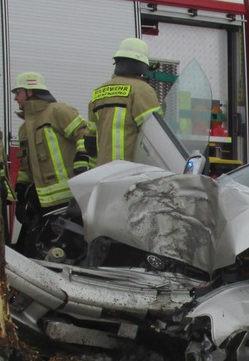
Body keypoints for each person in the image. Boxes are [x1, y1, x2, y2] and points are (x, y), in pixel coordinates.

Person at [12, 71, 92, 256]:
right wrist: (22, 191)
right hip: (43, 204)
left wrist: (82, 158)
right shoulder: (25, 128)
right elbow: (26, 165)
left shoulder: (57, 112)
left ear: (31, 91)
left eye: (18, 92)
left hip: (68, 200)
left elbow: (85, 134)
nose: (16, 98)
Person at [88, 38, 162, 163]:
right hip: (130, 171)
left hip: (103, 171)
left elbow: (90, 139)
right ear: (142, 65)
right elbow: (157, 135)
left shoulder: (98, 93)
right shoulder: (142, 90)